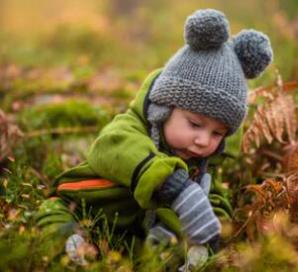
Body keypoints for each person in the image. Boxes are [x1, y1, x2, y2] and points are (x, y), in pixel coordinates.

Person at [35, 8, 273, 269]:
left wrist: (211, 233)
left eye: (217, 133)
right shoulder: (130, 129)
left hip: (130, 238)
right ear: (163, 109)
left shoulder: (200, 163)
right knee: (55, 222)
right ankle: (68, 247)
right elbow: (112, 147)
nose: (204, 141)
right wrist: (174, 185)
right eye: (195, 124)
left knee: (171, 252)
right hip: (79, 207)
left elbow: (213, 197)